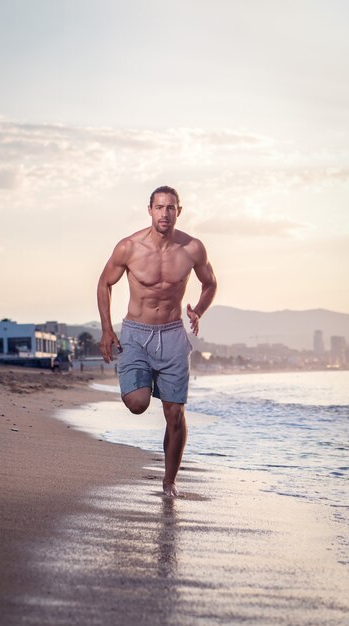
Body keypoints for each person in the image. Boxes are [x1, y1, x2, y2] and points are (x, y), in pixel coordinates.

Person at [97, 186, 217, 496]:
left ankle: (169, 482)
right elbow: (104, 282)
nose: (165, 213)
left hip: (173, 334)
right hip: (137, 333)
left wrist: (199, 311)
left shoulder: (192, 249)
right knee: (138, 404)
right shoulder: (129, 247)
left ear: (180, 211)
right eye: (159, 207)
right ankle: (138, 379)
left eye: (171, 207)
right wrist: (107, 329)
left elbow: (210, 283)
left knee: (174, 413)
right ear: (150, 210)